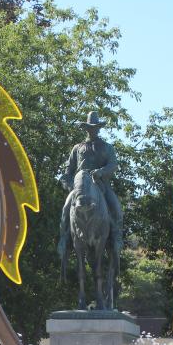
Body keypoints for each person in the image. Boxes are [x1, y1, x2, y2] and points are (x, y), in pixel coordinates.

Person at [58, 111, 123, 285]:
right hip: (80, 188)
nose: (92, 131)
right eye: (90, 128)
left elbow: (113, 164)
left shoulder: (107, 147)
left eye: (95, 128)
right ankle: (64, 237)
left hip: (100, 186)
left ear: (98, 129)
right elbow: (68, 170)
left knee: (116, 208)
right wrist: (71, 185)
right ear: (86, 129)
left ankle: (116, 237)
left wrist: (101, 172)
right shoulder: (77, 148)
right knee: (66, 209)